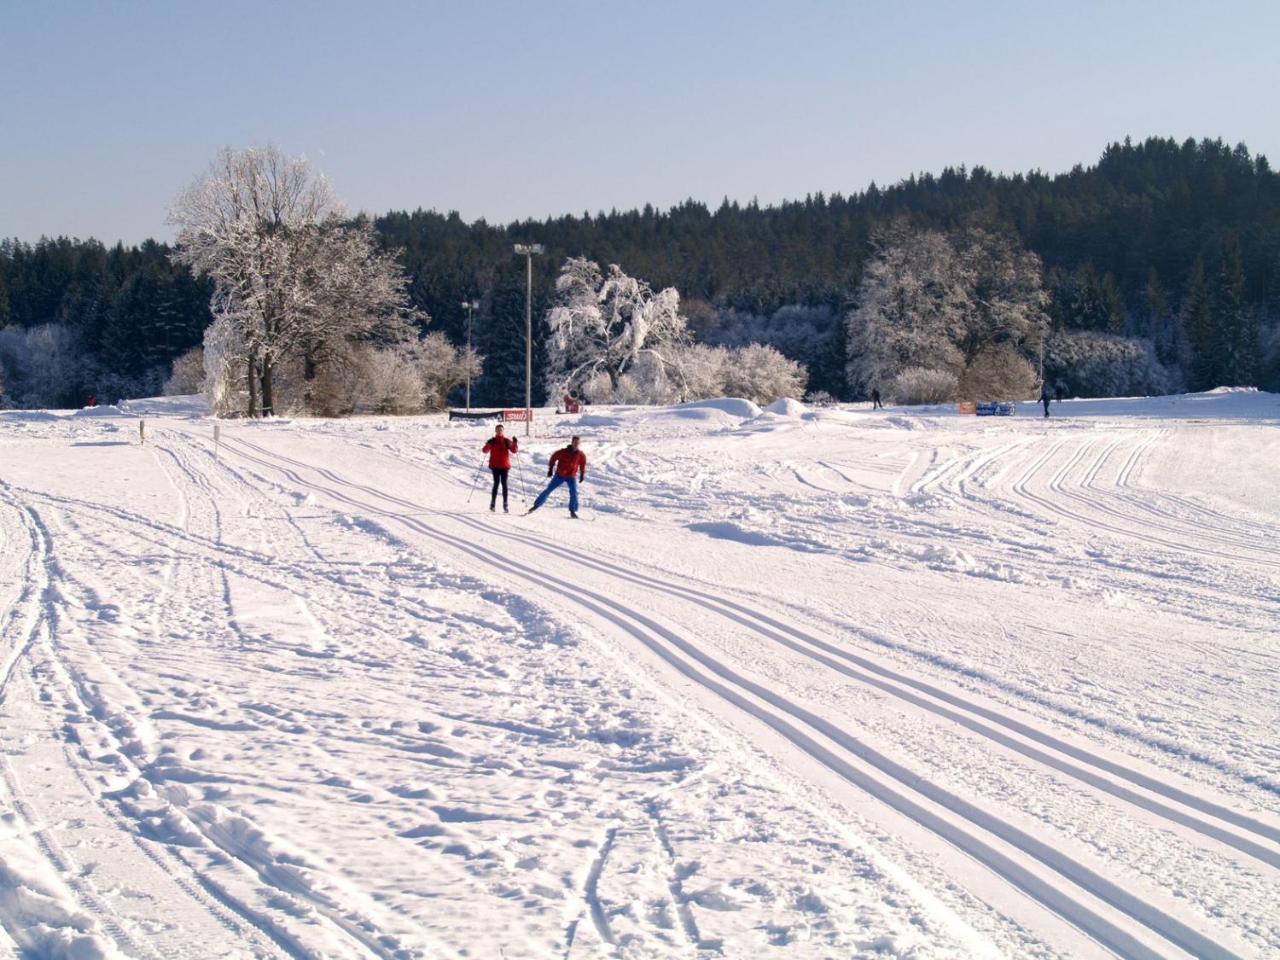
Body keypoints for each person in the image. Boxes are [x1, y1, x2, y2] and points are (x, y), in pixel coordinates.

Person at [527, 435, 587, 518]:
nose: (576, 444)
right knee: (548, 490)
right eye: (575, 442)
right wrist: (550, 469)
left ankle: (572, 511)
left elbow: (583, 464)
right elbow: (553, 458)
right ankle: (536, 506)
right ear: (572, 442)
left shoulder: (581, 455)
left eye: (578, 443)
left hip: (571, 476)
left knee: (574, 492)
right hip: (560, 475)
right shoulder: (563, 452)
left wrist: (582, 474)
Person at [482, 423, 518, 512]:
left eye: (501, 430)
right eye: (498, 430)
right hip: (495, 466)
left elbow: (514, 451)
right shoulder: (492, 441)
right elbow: (484, 451)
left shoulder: (506, 441)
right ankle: (493, 503)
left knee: (504, 484)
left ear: (503, 431)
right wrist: (488, 444)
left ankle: (505, 504)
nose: (499, 431)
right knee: (496, 483)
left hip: (505, 466)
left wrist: (515, 443)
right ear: (495, 431)